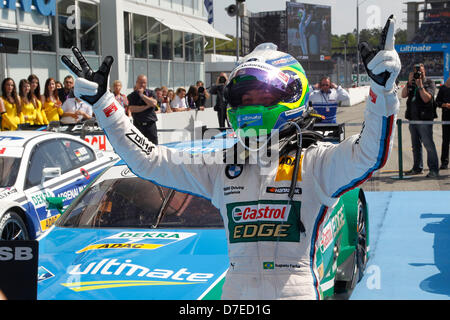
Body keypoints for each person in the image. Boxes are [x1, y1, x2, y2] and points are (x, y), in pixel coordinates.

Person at [62, 15, 400, 300]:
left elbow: (369, 153)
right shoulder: (222, 166)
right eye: (243, 95)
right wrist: (105, 105)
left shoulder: (316, 163)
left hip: (294, 290)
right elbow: (148, 160)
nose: (251, 102)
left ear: (293, 94)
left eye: (261, 93)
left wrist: (382, 92)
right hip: (236, 292)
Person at [401, 63, 439, 178]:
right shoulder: (411, 83)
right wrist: (408, 82)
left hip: (425, 119)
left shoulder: (429, 83)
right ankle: (417, 168)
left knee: (429, 145)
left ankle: (434, 169)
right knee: (415, 146)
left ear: (425, 71)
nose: (419, 74)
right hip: (413, 119)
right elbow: (403, 95)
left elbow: (427, 98)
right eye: (417, 72)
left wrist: (420, 85)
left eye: (421, 72)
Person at [127, 75, 159, 145]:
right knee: (138, 147)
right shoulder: (132, 96)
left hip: (150, 125)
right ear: (136, 83)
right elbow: (132, 109)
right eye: (140, 82)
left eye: (144, 83)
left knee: (154, 146)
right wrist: (147, 106)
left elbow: (154, 103)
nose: (142, 85)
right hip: (138, 126)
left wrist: (142, 95)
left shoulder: (151, 93)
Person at [435, 76, 450, 170]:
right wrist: (444, 105)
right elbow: (437, 102)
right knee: (446, 141)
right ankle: (444, 162)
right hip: (446, 117)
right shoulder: (443, 88)